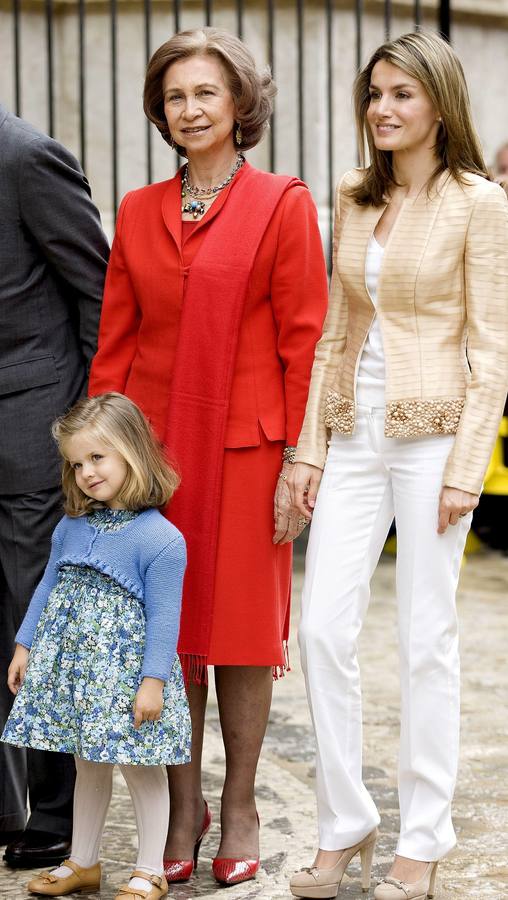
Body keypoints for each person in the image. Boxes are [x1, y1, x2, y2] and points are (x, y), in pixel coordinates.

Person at [88, 27, 328, 887]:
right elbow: (115, 343)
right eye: (175, 96)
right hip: (155, 458)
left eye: (206, 94)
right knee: (170, 632)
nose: (189, 109)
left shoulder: (282, 204)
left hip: (249, 454)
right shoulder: (137, 210)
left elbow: (309, 343)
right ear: (160, 111)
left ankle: (241, 804)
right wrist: (101, 459)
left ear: (241, 105)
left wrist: (305, 458)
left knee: (238, 635)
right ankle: (183, 807)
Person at [288, 30, 508, 900]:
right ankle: (347, 820)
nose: (382, 108)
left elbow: (492, 350)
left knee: (424, 638)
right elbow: (335, 333)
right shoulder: (354, 196)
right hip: (353, 435)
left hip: (433, 440)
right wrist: (309, 448)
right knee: (322, 631)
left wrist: (466, 466)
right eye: (374, 92)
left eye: (402, 94)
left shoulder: (478, 203)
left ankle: (424, 834)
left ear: (439, 103)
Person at [1, 393, 191, 900]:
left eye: (97, 458)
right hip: (80, 673)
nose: (85, 472)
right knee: (87, 762)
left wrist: (152, 682)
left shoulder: (161, 538)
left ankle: (150, 869)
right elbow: (46, 586)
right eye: (76, 463)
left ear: (131, 451)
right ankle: (83, 860)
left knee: (142, 766)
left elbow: (165, 620)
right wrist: (25, 646)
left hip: (127, 677)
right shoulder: (71, 526)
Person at [0, 103, 109, 869]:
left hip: (31, 427)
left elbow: (97, 290)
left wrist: (84, 433)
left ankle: (56, 814)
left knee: (32, 613)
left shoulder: (27, 157)